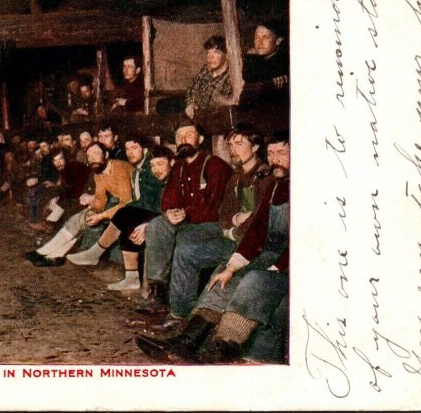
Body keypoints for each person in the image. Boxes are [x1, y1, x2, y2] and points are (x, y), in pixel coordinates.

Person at [136, 133, 289, 364]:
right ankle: (187, 342)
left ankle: (219, 350)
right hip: (267, 252)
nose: (275, 159)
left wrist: (275, 267)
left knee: (252, 280)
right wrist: (232, 266)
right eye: (272, 153)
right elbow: (256, 230)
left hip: (292, 263)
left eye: (282, 153)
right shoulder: (277, 188)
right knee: (223, 276)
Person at [130, 121, 233, 318]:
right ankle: (157, 294)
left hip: (213, 225)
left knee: (185, 239)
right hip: (187, 221)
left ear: (200, 139)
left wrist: (186, 214)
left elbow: (214, 208)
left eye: (188, 135)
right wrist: (170, 212)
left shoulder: (214, 165)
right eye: (178, 137)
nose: (183, 140)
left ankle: (181, 310)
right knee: (157, 226)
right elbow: (168, 200)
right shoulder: (179, 167)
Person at [67, 142, 173, 291]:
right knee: (125, 215)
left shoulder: (163, 176)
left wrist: (149, 223)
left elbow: (165, 209)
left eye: (134, 148)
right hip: (155, 213)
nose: (156, 169)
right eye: (127, 149)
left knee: (127, 216)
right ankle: (130, 277)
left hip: (164, 219)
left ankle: (96, 255)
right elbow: (144, 202)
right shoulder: (141, 171)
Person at [24, 142, 133, 267]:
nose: (92, 158)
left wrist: (100, 215)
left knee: (83, 218)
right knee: (81, 217)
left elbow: (126, 202)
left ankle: (55, 254)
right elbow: (100, 200)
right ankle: (49, 253)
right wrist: (92, 209)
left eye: (96, 153)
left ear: (106, 154)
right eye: (89, 156)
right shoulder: (99, 173)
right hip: (115, 205)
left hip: (132, 207)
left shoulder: (119, 167)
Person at [27, 148, 90, 231]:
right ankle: (46, 223)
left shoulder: (73, 166)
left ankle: (48, 225)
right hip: (81, 194)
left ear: (66, 158)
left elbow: (76, 190)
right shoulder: (65, 169)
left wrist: (58, 198)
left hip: (87, 196)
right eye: (55, 160)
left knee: (61, 202)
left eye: (61, 159)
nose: (58, 163)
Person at [185, 35, 233, 119]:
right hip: (196, 116)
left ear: (227, 55)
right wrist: (191, 104)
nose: (210, 57)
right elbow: (192, 86)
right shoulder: (206, 69)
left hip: (214, 120)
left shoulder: (230, 78)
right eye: (208, 53)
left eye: (216, 52)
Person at [241, 21, 289, 102]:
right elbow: (247, 76)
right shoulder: (255, 59)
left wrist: (250, 56)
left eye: (265, 37)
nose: (259, 42)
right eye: (256, 38)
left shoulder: (284, 60)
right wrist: (250, 56)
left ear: (278, 40)